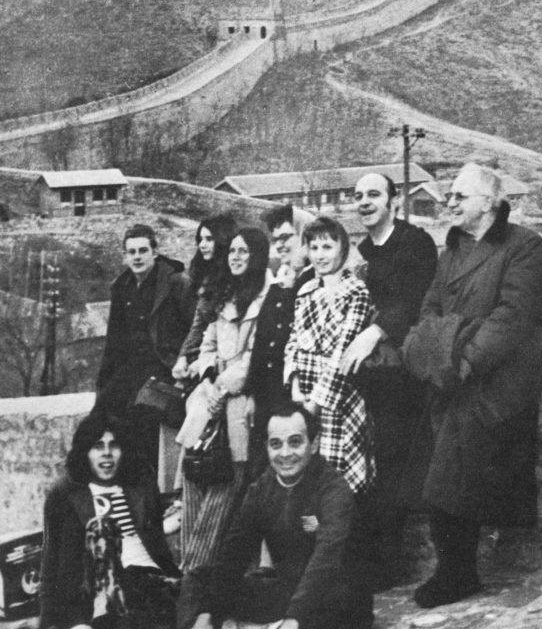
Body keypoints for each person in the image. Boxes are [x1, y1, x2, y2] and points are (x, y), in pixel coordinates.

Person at [402, 162, 542, 608]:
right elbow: (428, 312)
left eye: (458, 196)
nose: (449, 203)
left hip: (497, 380)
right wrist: (436, 352)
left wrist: (462, 360)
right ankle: (455, 569)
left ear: (488, 202)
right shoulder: (452, 252)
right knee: (444, 466)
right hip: (452, 377)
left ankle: (457, 572)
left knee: (451, 468)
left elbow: (511, 318)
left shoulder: (524, 245)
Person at [190, 402, 367, 629]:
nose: (285, 454)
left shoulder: (334, 488)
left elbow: (326, 559)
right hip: (286, 593)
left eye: (295, 442)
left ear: (314, 445)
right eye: (276, 444)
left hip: (332, 598)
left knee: (336, 601)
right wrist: (208, 613)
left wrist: (294, 620)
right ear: (267, 448)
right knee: (199, 580)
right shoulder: (261, 489)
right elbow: (235, 553)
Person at [342, 172, 437, 586]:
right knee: (367, 464)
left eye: (374, 195)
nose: (365, 202)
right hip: (369, 375)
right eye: (359, 196)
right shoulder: (360, 252)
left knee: (396, 462)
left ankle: (389, 564)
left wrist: (375, 331)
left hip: (403, 374)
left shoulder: (414, 243)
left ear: (393, 202)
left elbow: (416, 298)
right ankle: (366, 563)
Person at [175, 227, 271, 628]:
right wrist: (209, 375)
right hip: (207, 407)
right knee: (194, 498)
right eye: (232, 250)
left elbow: (256, 355)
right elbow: (208, 345)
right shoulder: (222, 295)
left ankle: (193, 611)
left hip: (238, 411)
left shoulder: (267, 297)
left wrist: (224, 385)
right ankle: (206, 609)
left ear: (258, 255)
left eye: (244, 251)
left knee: (219, 519)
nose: (235, 257)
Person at [39, 411, 179, 629]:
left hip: (147, 581)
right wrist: (48, 623)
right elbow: (51, 560)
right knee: (103, 526)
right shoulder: (64, 493)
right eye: (97, 446)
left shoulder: (141, 483)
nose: (107, 454)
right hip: (93, 590)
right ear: (85, 453)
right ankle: (106, 607)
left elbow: (160, 544)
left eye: (113, 446)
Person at [283, 216, 376, 498]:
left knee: (339, 485)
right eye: (314, 247)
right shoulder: (306, 291)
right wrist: (296, 384)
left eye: (327, 247)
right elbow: (293, 341)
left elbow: (342, 354)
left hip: (339, 401)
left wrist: (315, 405)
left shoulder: (356, 292)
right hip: (304, 396)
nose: (320, 255)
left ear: (342, 249)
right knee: (307, 485)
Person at [95, 224, 194, 471]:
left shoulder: (175, 282)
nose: (137, 257)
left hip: (165, 364)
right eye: (132, 252)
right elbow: (114, 341)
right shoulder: (122, 287)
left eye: (142, 250)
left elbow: (195, 328)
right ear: (125, 256)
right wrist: (103, 383)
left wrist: (184, 363)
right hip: (131, 366)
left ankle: (148, 483)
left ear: (155, 252)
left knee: (141, 412)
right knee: (103, 410)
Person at [244, 205, 314, 476]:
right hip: (266, 396)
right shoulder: (279, 281)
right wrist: (252, 393)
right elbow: (262, 341)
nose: (280, 245)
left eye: (287, 237)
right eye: (276, 239)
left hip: (292, 397)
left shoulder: (311, 283)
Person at [172, 215, 239, 381]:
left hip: (226, 363)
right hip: (204, 354)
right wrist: (182, 358)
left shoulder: (236, 280)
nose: (202, 245)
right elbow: (198, 325)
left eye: (209, 239)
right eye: (200, 239)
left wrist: (202, 364)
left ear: (223, 241)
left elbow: (231, 337)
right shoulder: (208, 277)